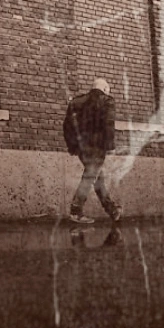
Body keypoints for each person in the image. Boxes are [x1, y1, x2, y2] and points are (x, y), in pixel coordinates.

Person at [63, 78, 123, 224]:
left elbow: (67, 126)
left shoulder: (76, 102)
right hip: (97, 147)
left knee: (96, 177)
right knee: (90, 176)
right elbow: (108, 124)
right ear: (105, 89)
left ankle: (112, 210)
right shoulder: (107, 101)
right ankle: (76, 210)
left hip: (81, 147)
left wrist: (73, 146)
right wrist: (110, 146)